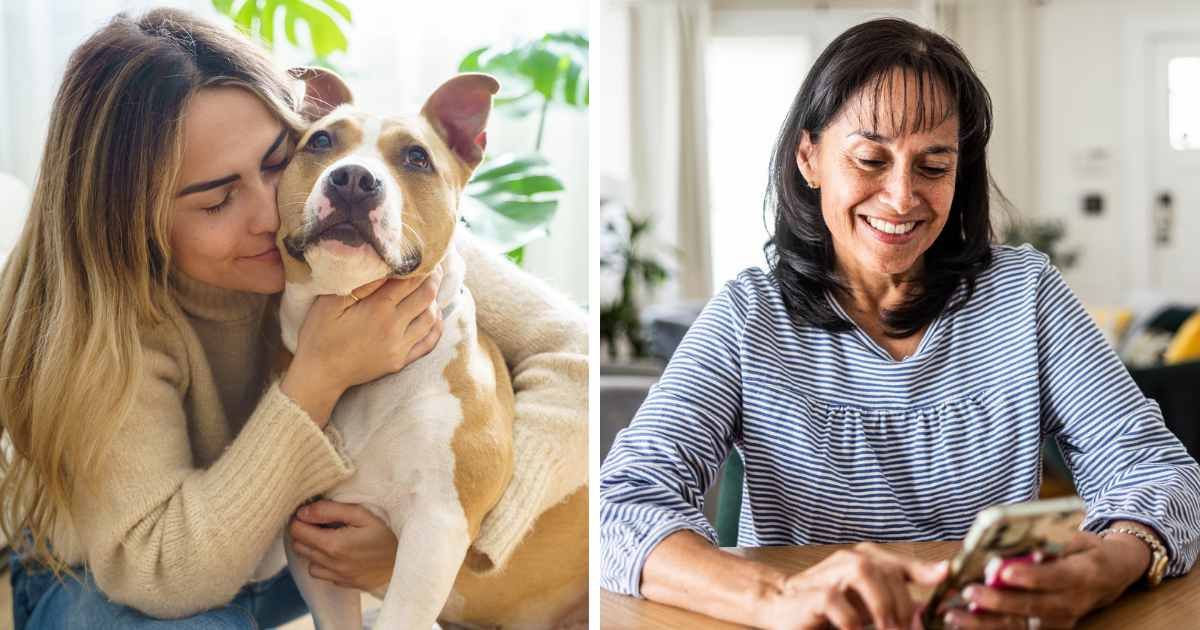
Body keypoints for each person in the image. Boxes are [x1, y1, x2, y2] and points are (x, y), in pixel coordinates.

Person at [600, 17, 1200, 630]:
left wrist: (1108, 564)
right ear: (810, 158)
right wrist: (772, 598)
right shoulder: (750, 316)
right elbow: (619, 508)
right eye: (870, 158)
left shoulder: (1027, 296)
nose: (900, 197)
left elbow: (1160, 473)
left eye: (933, 166)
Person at [0, 8, 587, 628]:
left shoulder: (356, 224)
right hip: (109, 575)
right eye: (218, 199)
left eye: (279, 160)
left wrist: (458, 533)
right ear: (132, 222)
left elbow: (572, 352)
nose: (272, 212)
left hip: (287, 554)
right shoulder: (101, 323)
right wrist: (317, 376)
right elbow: (161, 571)